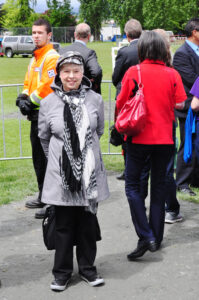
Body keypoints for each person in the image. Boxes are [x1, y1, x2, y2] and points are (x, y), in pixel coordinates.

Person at [38, 51, 109, 291]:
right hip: (61, 178)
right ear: (58, 74)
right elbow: (44, 138)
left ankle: (88, 269)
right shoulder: (48, 103)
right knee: (64, 226)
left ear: (82, 74)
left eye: (76, 71)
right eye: (66, 71)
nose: (71, 76)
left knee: (88, 224)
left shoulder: (95, 99)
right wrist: (65, 160)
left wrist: (82, 159)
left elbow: (98, 130)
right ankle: (62, 273)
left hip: (89, 176)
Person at [116, 31, 186, 260]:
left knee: (133, 187)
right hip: (165, 138)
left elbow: (121, 102)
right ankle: (154, 236)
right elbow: (180, 101)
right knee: (158, 189)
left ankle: (146, 235)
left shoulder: (133, 72)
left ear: (142, 49)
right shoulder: (172, 73)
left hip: (138, 138)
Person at [16, 18, 60, 219]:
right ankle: (43, 195)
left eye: (39, 33)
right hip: (36, 115)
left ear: (49, 35)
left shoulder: (51, 56)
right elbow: (29, 82)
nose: (35, 36)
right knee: (38, 159)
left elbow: (46, 86)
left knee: (48, 159)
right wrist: (23, 97)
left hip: (46, 116)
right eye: (33, 32)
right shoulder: (35, 58)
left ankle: (52, 202)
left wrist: (30, 102)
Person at [112, 19, 142, 180]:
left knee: (126, 133)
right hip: (144, 98)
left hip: (126, 99)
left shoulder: (124, 52)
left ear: (127, 34)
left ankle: (128, 168)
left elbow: (116, 77)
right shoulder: (146, 50)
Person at [173, 18, 199, 195]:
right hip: (189, 108)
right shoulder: (182, 53)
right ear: (195, 32)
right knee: (187, 143)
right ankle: (182, 182)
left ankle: (195, 179)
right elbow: (191, 78)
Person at [60, 23, 102, 94]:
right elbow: (96, 72)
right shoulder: (89, 53)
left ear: (75, 34)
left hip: (63, 92)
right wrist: (90, 83)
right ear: (89, 36)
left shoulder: (62, 51)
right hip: (83, 94)